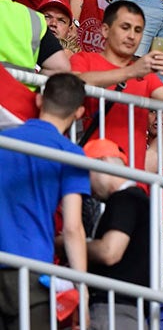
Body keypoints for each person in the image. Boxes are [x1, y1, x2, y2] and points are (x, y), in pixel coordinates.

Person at [0, 73, 89, 329]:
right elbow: (72, 228)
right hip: (33, 271)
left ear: (39, 100)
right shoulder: (70, 153)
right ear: (80, 112)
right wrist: (81, 290)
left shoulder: (4, 140)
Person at [71, 0, 163, 166]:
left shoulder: (146, 74)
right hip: (89, 169)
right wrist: (130, 72)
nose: (132, 36)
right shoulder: (84, 59)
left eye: (138, 30)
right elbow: (72, 84)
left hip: (132, 178)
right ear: (105, 30)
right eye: (125, 27)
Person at [83, 138, 151, 329]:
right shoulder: (140, 199)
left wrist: (68, 244)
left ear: (102, 162)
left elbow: (109, 252)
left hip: (113, 311)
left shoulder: (125, 198)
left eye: (85, 174)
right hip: (128, 311)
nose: (86, 186)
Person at [0, 0, 72, 75]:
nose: (53, 23)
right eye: (47, 17)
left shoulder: (75, 59)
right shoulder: (18, 45)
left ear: (69, 30)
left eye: (61, 20)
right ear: (36, 21)